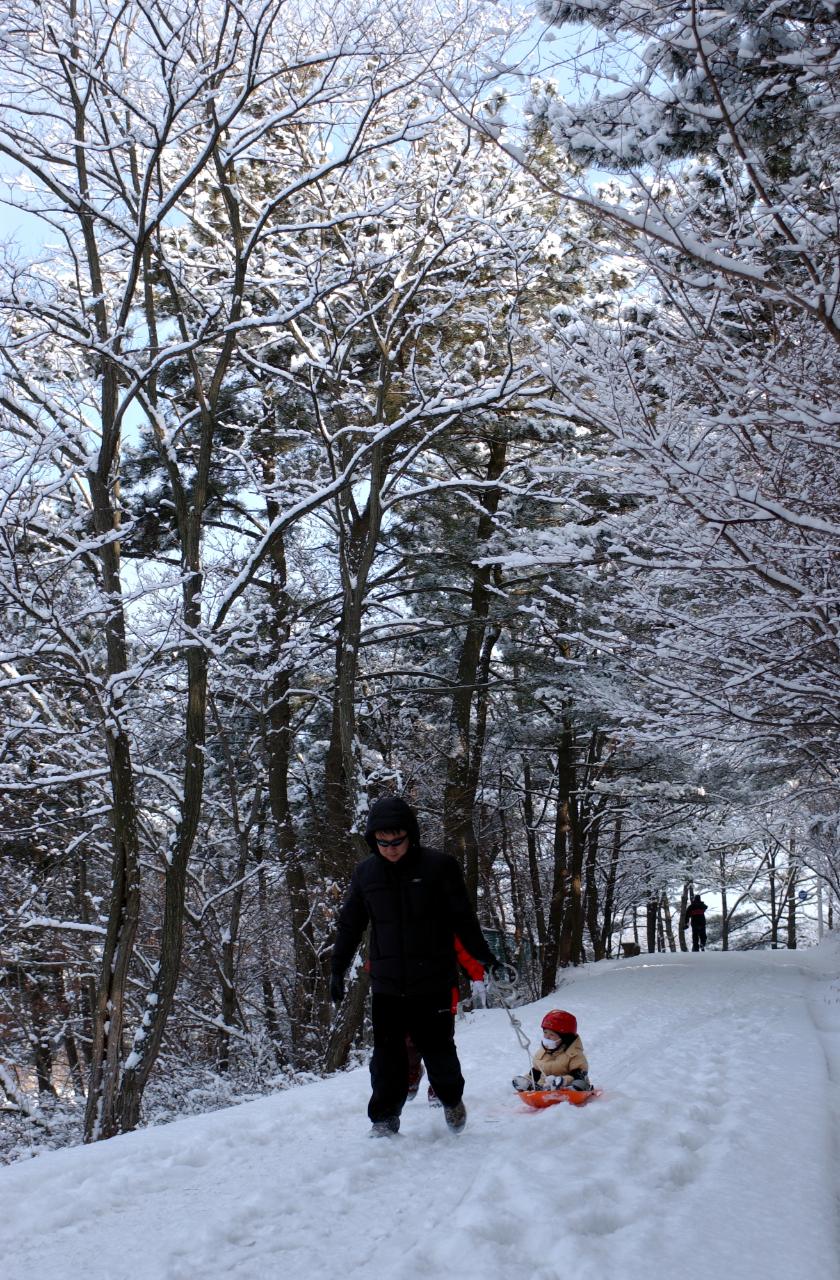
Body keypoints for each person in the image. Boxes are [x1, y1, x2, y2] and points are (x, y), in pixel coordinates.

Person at [330, 794, 500, 1137]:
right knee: (387, 1057)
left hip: (433, 980)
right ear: (372, 840)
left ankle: (452, 1100)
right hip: (388, 983)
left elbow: (463, 919)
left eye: (397, 841)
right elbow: (350, 924)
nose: (391, 848)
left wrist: (484, 958)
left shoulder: (439, 867)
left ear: (411, 835)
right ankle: (384, 1117)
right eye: (382, 842)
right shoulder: (366, 873)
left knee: (439, 1052)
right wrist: (337, 968)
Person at [512, 1009, 592, 1093]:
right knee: (538, 1083)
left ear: (565, 1038)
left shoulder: (574, 1054)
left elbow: (578, 1074)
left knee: (580, 1083)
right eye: (545, 1032)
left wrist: (563, 1081)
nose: (547, 1037)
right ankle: (536, 1087)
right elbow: (536, 1072)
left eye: (551, 1034)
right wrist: (527, 1080)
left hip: (569, 1085)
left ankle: (567, 1089)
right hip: (545, 1086)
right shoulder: (543, 1052)